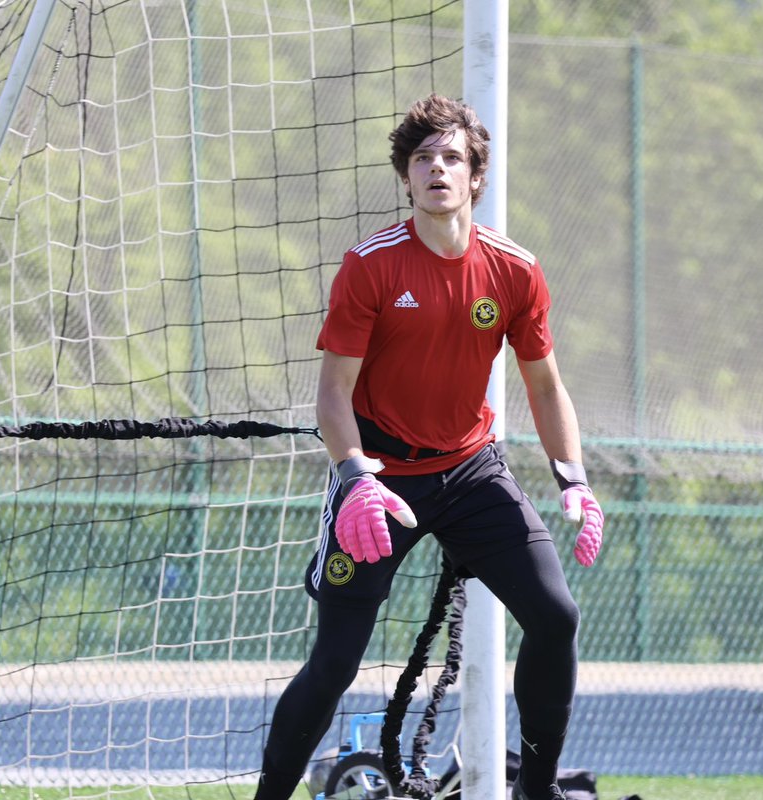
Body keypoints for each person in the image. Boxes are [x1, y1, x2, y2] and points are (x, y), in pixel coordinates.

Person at [253, 93, 605, 800]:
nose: (437, 168)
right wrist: (353, 476)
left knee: (556, 615)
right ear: (406, 178)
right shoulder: (371, 266)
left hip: (473, 472)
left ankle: (535, 791)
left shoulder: (514, 271)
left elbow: (543, 386)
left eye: (452, 158)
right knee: (335, 663)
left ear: (475, 177)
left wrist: (575, 479)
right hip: (380, 477)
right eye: (422, 159)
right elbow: (331, 395)